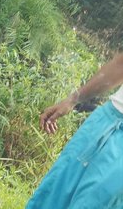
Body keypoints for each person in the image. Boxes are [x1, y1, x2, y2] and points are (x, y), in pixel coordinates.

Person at [26, 53, 123, 209]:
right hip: (105, 120)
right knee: (54, 194)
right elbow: (120, 64)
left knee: (97, 201)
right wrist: (73, 99)